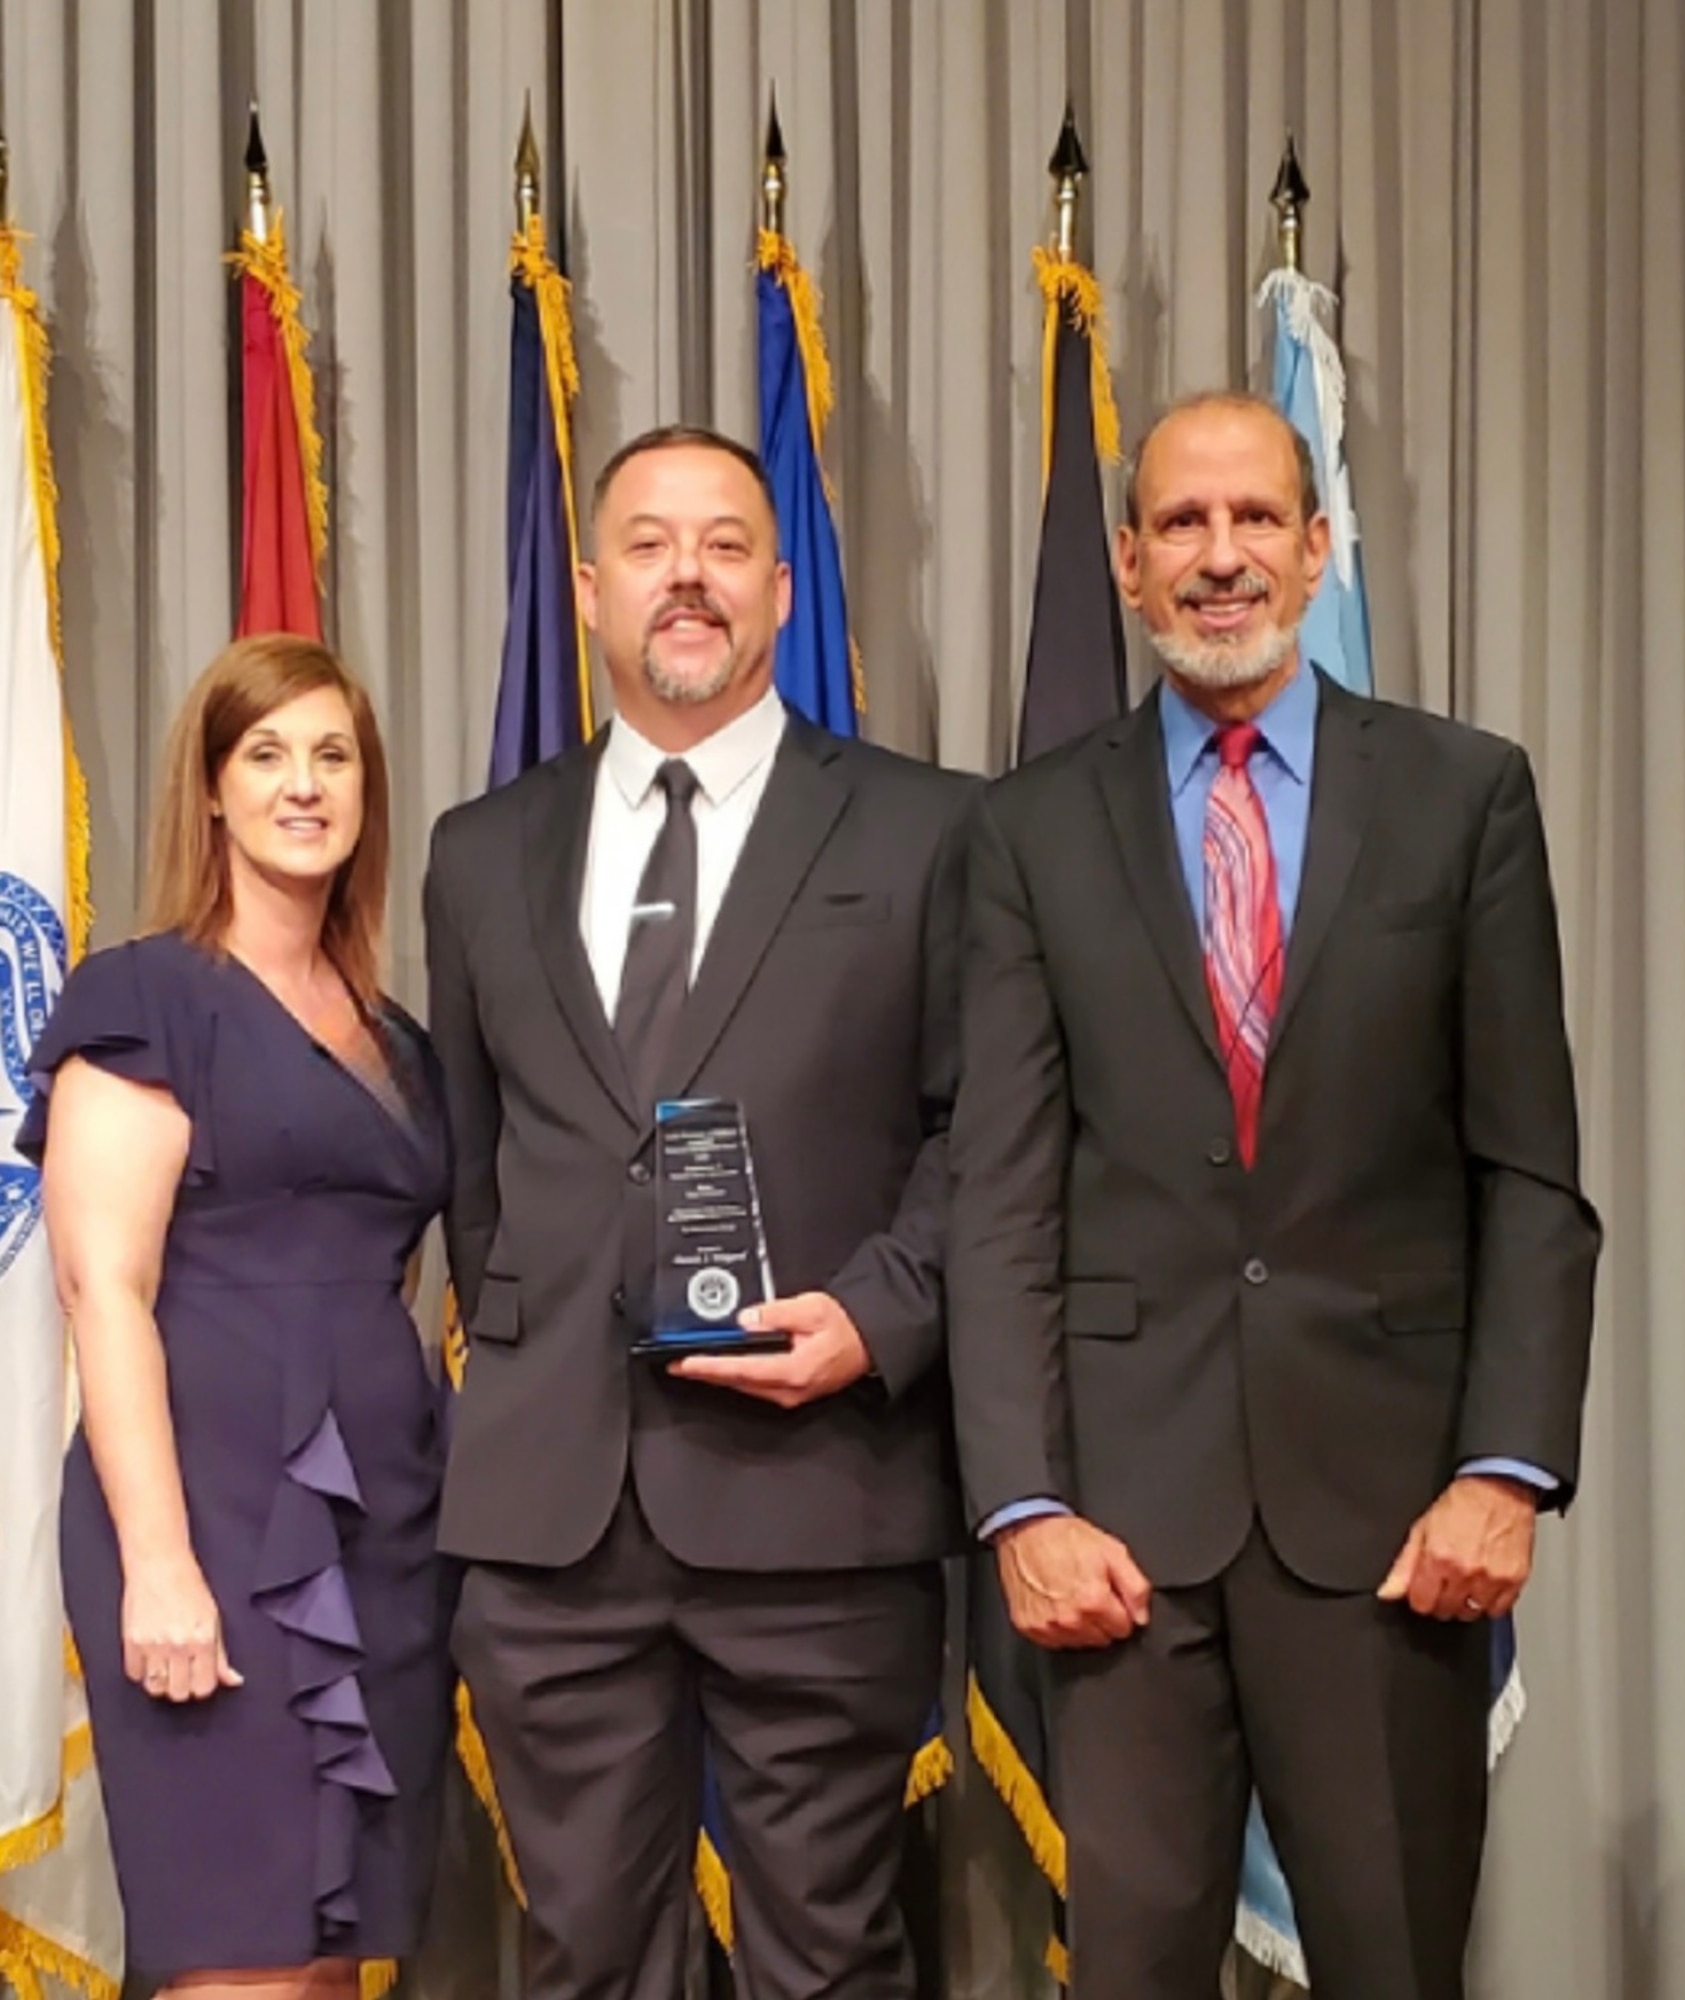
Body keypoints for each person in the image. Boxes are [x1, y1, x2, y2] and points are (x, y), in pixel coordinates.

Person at [947, 392, 1600, 2000]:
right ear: (1125, 563)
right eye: (1181, 523)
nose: (1219, 556)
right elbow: (1004, 1197)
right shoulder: (1030, 829)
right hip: (1122, 1542)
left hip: (1392, 1529)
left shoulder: (1465, 797)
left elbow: (1527, 1176)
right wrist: (1023, 1504)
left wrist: (1504, 1472)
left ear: (1317, 553)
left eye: (1254, 521)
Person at [424, 424, 970, 2000]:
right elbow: (478, 1169)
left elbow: (985, 1136)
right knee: (584, 1956)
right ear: (591, 591)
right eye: (650, 546)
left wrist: (882, 1314)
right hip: (554, 1525)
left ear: (781, 590)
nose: (687, 576)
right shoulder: (481, 855)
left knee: (827, 1959)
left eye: (725, 545)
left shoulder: (930, 831)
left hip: (821, 1499)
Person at [21, 636, 454, 1998]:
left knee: (330, 1960)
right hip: (206, 1523)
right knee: (238, 1957)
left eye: (333, 756)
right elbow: (104, 1286)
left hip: (382, 1524)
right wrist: (159, 1564)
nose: (304, 784)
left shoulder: (400, 1038)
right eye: (267, 754)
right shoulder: (142, 996)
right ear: (211, 790)